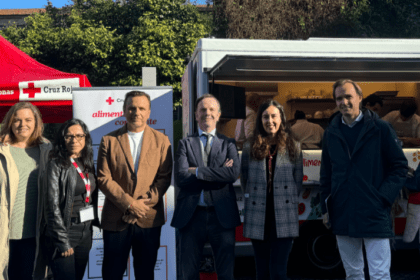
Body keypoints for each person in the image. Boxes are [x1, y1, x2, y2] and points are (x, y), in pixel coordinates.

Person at [320, 79, 408, 280]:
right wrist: (326, 208)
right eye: (339, 98)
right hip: (342, 211)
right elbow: (326, 174)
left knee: (379, 274)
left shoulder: (381, 128)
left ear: (360, 98)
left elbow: (400, 167)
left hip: (374, 212)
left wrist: (383, 198)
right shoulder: (331, 133)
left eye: (348, 96)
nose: (344, 102)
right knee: (352, 274)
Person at [97, 91, 172, 280]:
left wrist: (142, 205)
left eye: (141, 108)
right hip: (116, 219)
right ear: (124, 111)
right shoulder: (109, 140)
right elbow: (104, 178)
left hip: (148, 219)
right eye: (131, 108)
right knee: (111, 274)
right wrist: (130, 204)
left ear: (149, 112)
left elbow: (164, 177)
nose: (136, 112)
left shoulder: (162, 141)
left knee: (145, 274)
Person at [172, 93, 241, 280]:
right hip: (191, 216)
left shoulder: (229, 144)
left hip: (222, 216)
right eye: (202, 109)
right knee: (189, 273)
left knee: (226, 273)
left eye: (211, 109)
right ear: (196, 115)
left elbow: (232, 174)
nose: (207, 113)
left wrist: (198, 171)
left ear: (219, 115)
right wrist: (217, 173)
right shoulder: (184, 144)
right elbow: (181, 177)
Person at [241, 100, 303, 280]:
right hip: (258, 214)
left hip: (283, 215)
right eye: (265, 116)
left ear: (281, 119)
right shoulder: (249, 146)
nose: (270, 120)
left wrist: (284, 198)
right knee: (261, 272)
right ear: (260, 120)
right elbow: (245, 179)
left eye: (274, 116)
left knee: (279, 272)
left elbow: (297, 181)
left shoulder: (294, 145)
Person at [0, 102, 52, 280]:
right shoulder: (2, 149)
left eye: (28, 120)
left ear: (36, 122)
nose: (23, 125)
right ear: (9, 122)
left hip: (34, 231)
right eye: (17, 120)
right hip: (4, 230)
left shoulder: (47, 149)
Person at [43, 118, 98, 280]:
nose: (74, 140)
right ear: (62, 139)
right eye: (69, 136)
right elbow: (51, 206)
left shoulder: (86, 162)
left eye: (79, 136)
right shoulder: (56, 165)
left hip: (85, 231)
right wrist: (62, 240)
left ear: (86, 138)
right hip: (66, 231)